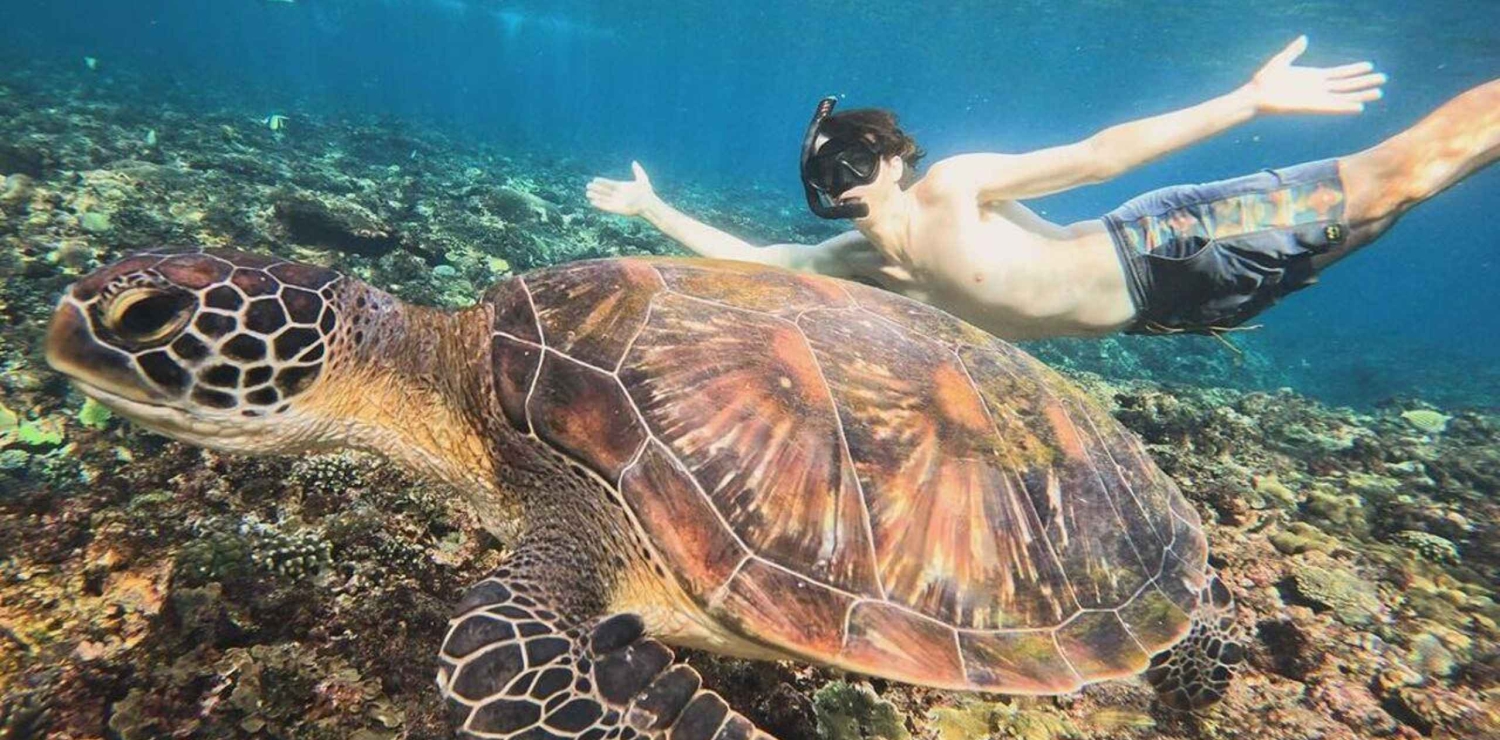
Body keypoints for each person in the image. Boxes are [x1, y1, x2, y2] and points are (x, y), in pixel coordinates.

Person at [586, 37, 1499, 341]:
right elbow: (753, 260)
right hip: (1171, 311)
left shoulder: (953, 188)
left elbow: (1102, 155)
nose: (843, 186)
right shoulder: (857, 260)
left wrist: (1248, 100)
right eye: (825, 177)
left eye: (854, 162)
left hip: (1175, 241)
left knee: (1397, 175)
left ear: (895, 159)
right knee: (1395, 210)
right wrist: (651, 207)